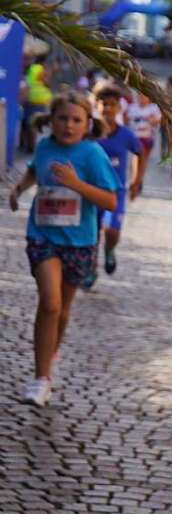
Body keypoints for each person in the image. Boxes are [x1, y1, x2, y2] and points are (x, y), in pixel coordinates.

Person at [7, 91, 119, 406]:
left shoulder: (92, 154)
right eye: (62, 119)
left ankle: (49, 352)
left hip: (80, 242)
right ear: (51, 120)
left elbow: (110, 200)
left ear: (87, 124)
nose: (68, 125)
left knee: (63, 310)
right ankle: (41, 379)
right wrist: (19, 188)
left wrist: (76, 184)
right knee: (51, 303)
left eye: (76, 120)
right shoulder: (45, 146)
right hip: (42, 236)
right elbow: (34, 170)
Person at [85, 85, 142, 286]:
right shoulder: (88, 131)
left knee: (112, 231)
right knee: (92, 232)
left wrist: (136, 180)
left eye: (112, 104)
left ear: (119, 108)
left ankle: (110, 250)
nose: (108, 108)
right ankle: (90, 270)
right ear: (96, 105)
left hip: (116, 191)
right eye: (104, 104)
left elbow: (139, 153)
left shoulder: (126, 135)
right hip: (91, 191)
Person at [125, 91, 162, 195]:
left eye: (144, 96)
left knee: (143, 160)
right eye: (140, 96)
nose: (141, 98)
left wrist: (151, 120)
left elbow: (159, 120)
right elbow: (126, 121)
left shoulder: (153, 108)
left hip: (148, 137)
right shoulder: (132, 107)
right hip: (135, 137)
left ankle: (138, 180)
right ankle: (136, 180)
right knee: (137, 157)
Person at [20, 51, 52, 153]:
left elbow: (27, 83)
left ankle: (25, 145)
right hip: (40, 99)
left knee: (26, 123)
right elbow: (47, 83)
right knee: (33, 124)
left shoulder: (31, 68)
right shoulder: (42, 69)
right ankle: (31, 146)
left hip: (31, 98)